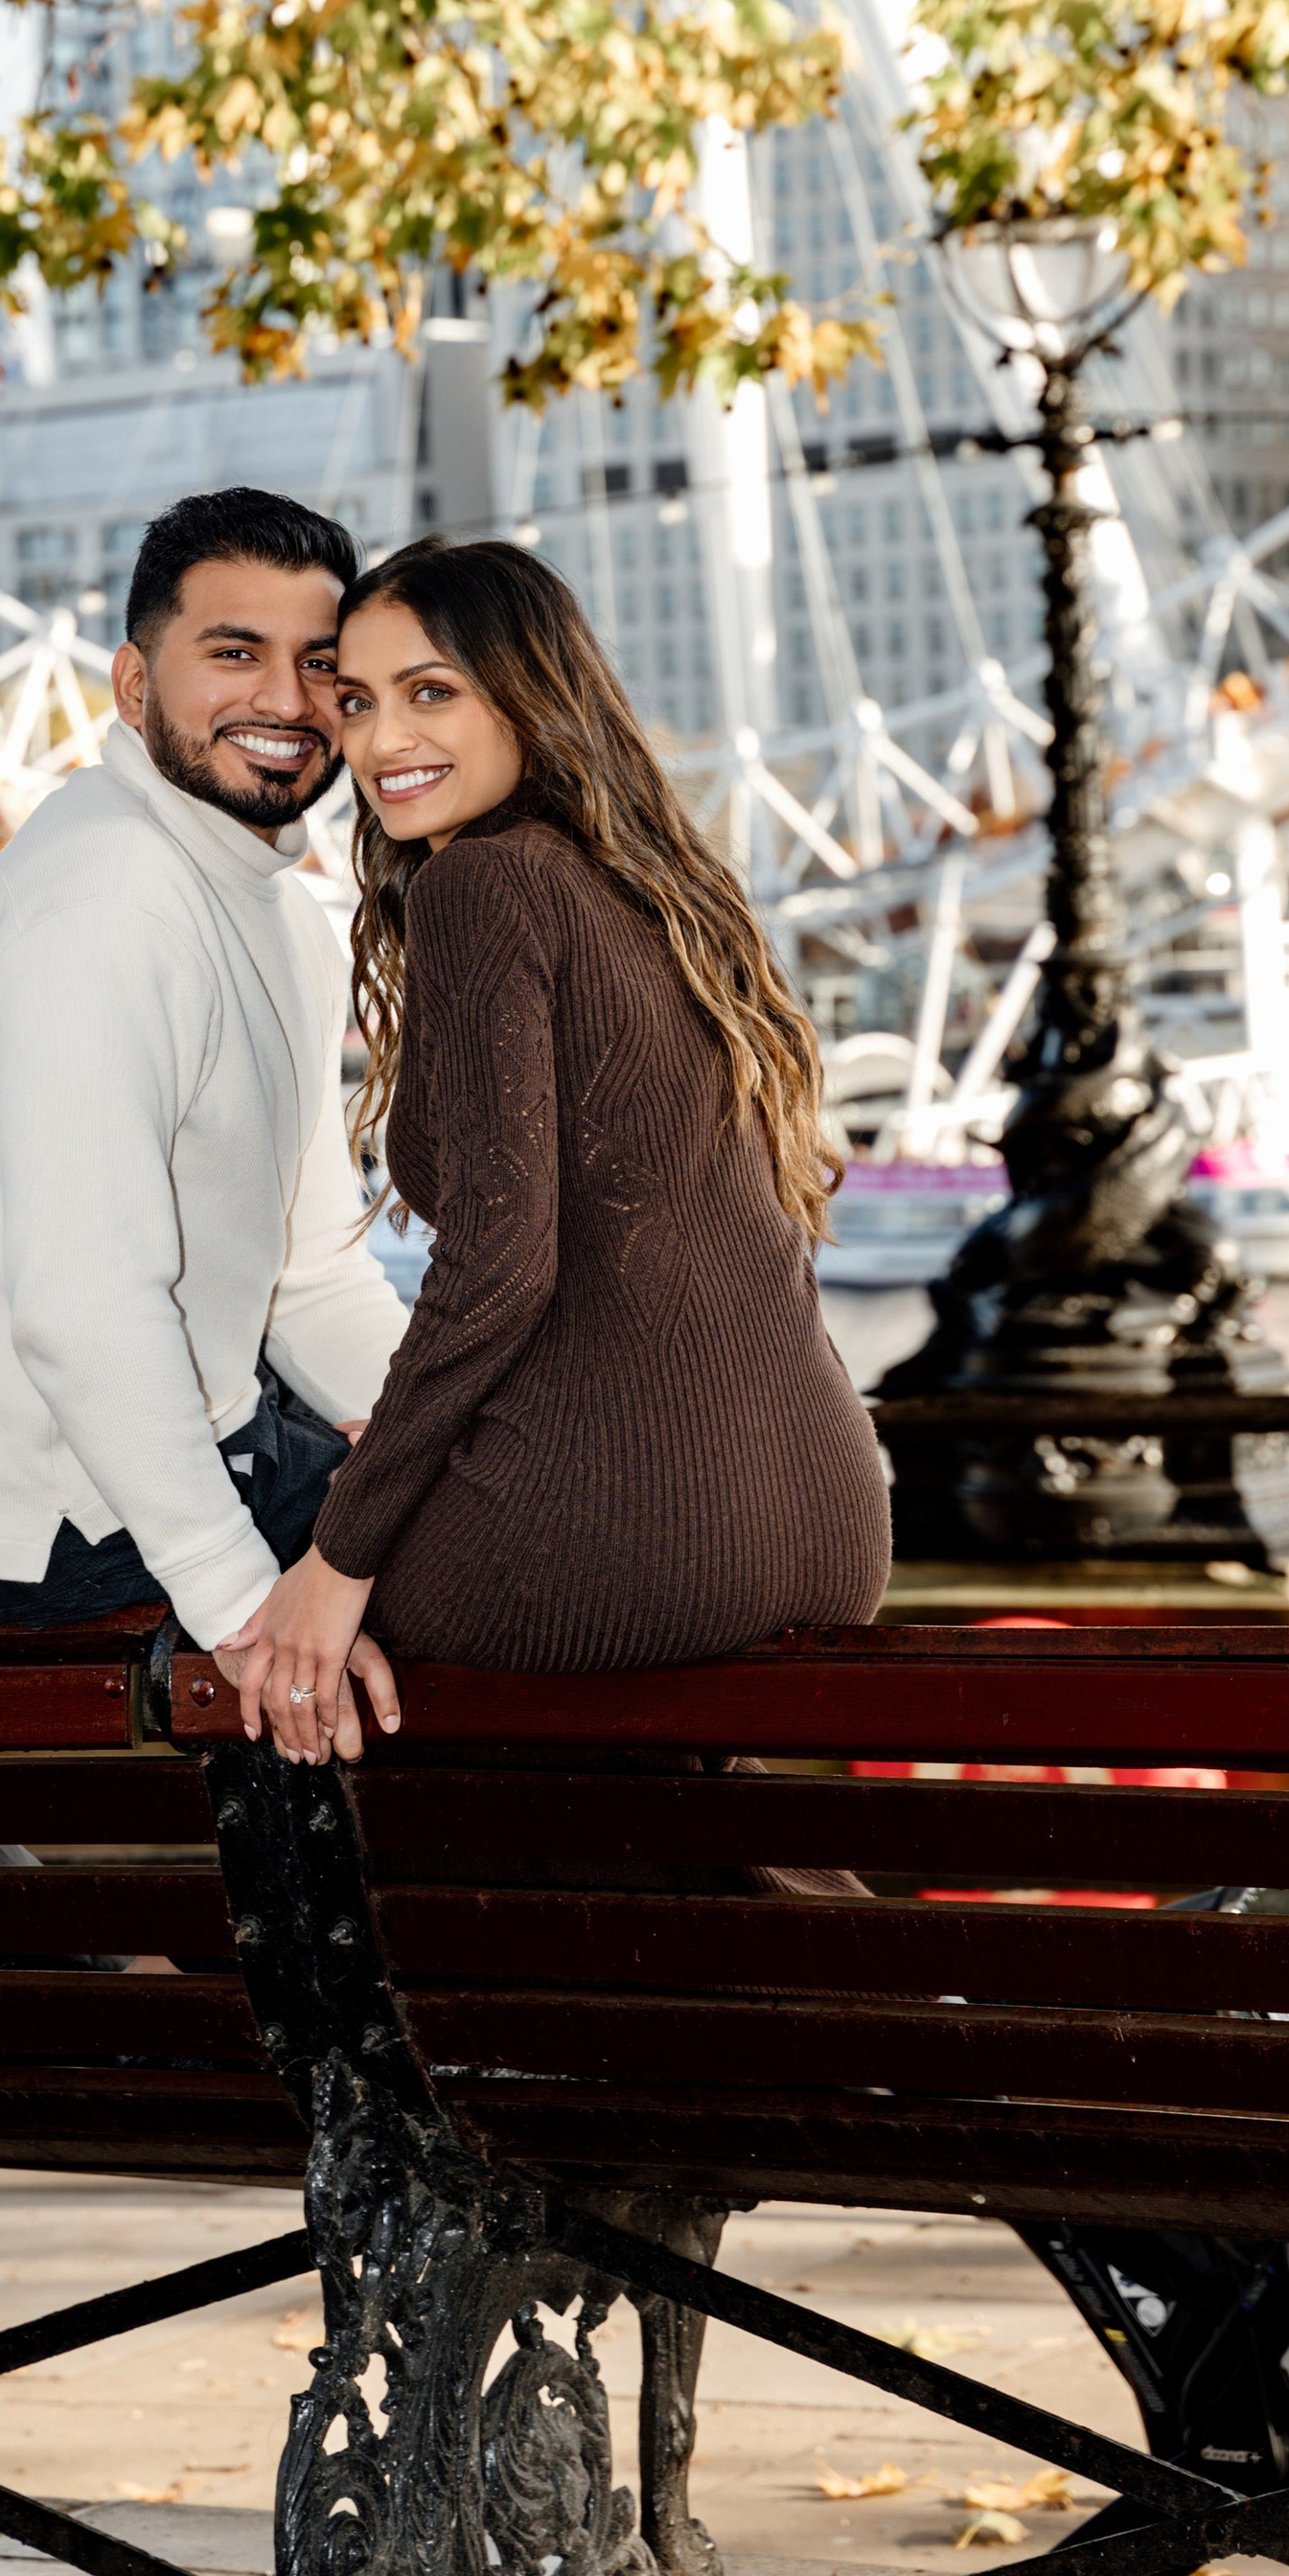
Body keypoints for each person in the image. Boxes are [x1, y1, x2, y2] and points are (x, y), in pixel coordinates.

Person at [219, 535, 890, 1762]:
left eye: (431, 692)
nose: (378, 744)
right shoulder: (660, 887)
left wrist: (340, 1555)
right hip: (824, 1511)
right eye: (356, 703)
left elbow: (500, 1265)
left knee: (284, 1632)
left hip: (648, 1529)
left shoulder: (485, 887)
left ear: (529, 690)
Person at [0, 486, 408, 1714]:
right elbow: (83, 1307)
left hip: (136, 1429)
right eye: (233, 653)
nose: (285, 701)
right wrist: (248, 1615)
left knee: (498, 1507)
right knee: (510, 1584)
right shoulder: (111, 900)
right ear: (132, 688)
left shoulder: (272, 906)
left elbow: (313, 1268)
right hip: (44, 1501)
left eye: (318, 664)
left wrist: (417, 1439)